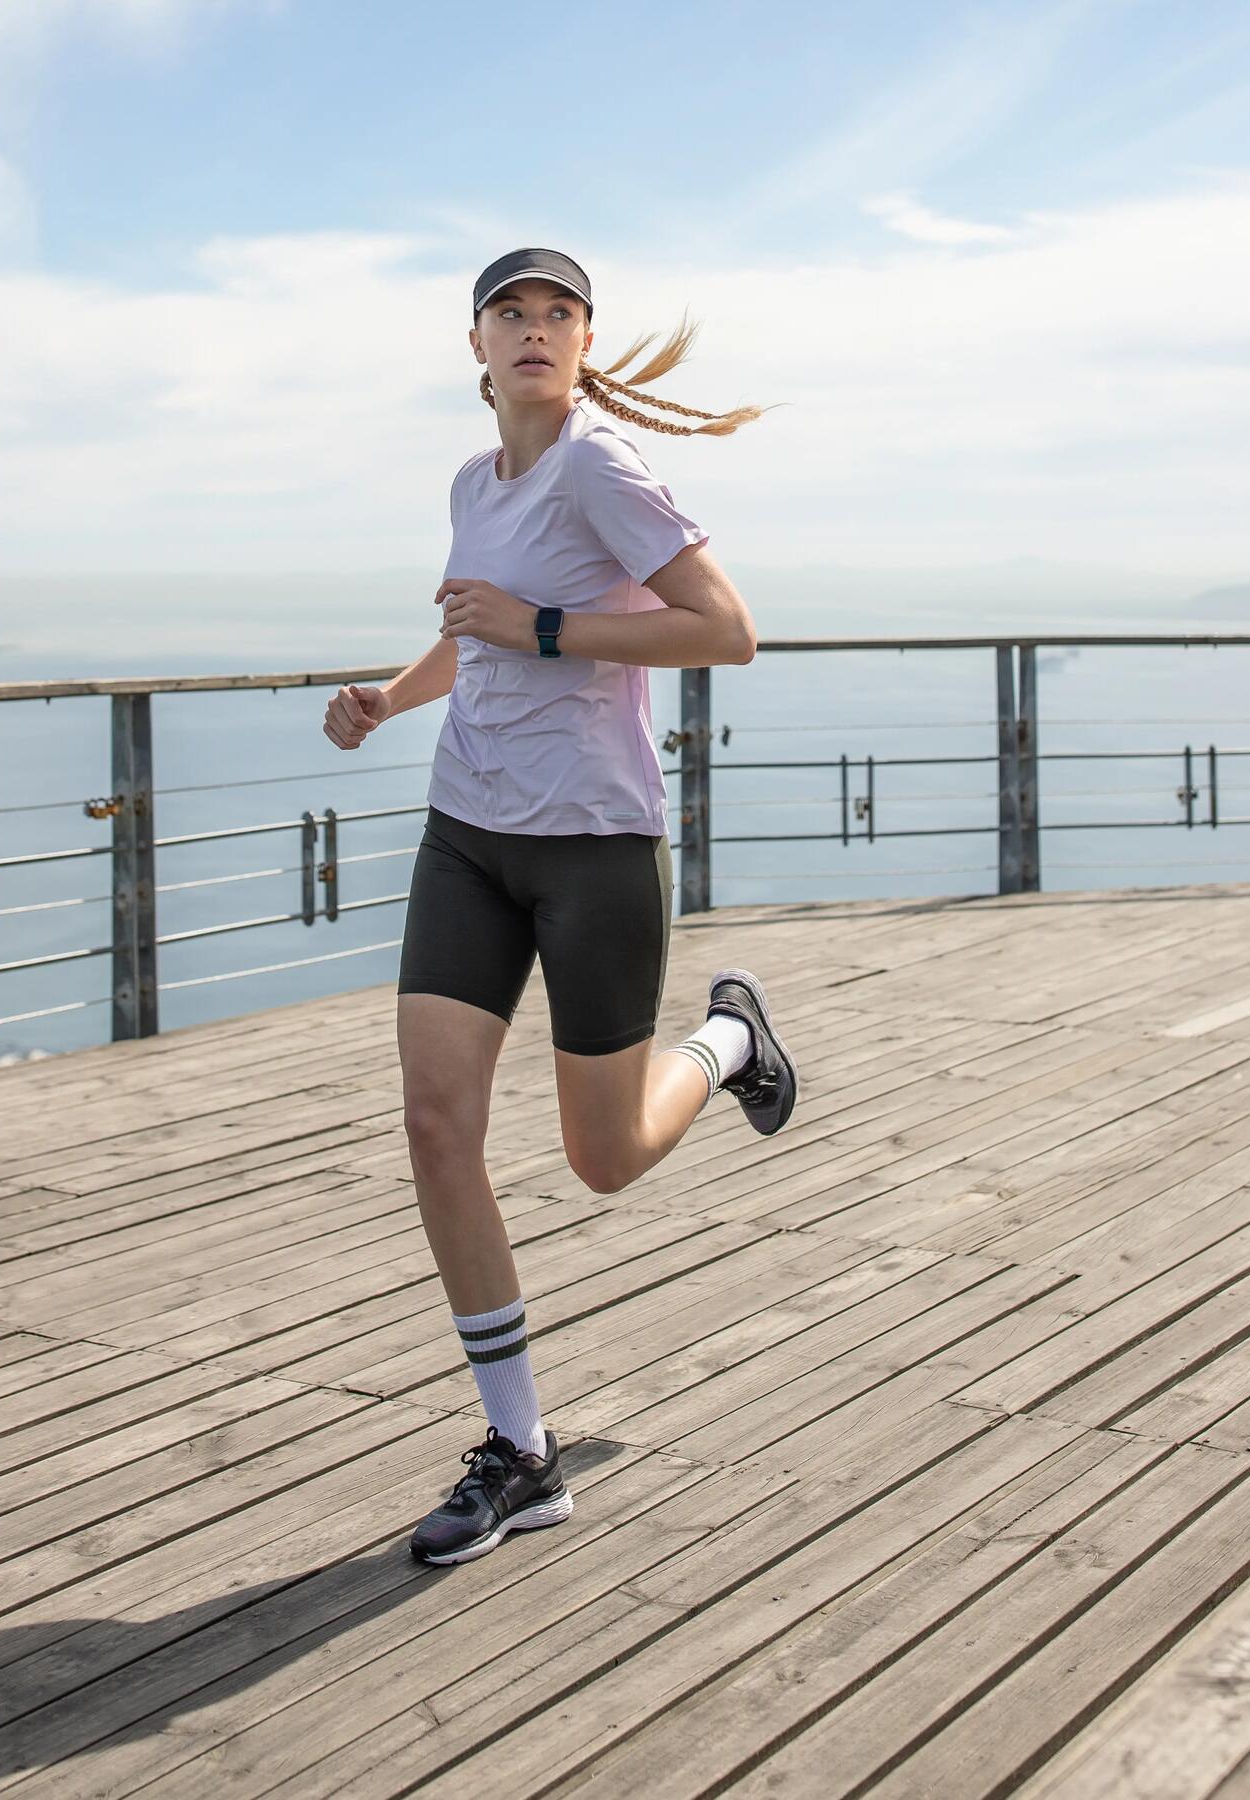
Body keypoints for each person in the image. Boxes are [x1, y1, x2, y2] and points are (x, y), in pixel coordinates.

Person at [321, 247, 798, 1567]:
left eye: (561, 314)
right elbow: (476, 622)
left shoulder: (602, 469)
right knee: (435, 1122)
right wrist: (389, 697)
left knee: (605, 1158)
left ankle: (728, 1044)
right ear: (475, 344)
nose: (536, 330)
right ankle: (519, 1450)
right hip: (470, 832)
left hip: (595, 846)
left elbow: (725, 630)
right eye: (512, 312)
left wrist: (541, 628)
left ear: (585, 345)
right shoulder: (476, 480)